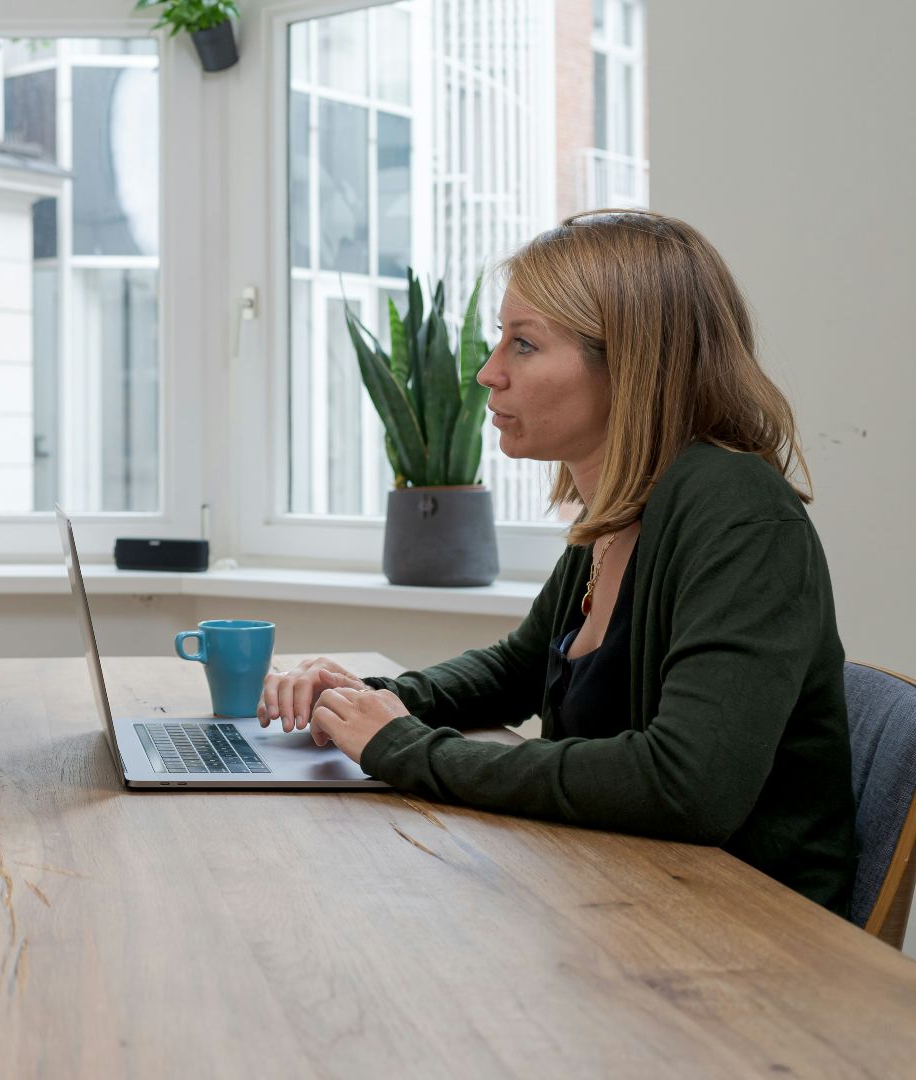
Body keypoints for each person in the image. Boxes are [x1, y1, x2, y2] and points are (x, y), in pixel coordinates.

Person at [260, 210, 856, 912]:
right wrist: (370, 697)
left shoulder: (739, 516)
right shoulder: (625, 506)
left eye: (524, 346)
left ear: (630, 364)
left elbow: (688, 784)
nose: (489, 374)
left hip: (750, 943)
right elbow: (517, 668)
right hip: (623, 897)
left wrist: (407, 749)